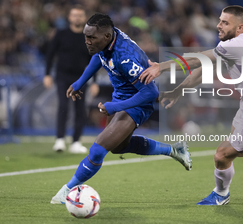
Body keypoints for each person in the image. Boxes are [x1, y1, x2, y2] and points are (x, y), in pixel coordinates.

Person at [139, 5, 243, 205]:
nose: (218, 25)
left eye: (225, 23)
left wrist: (162, 66)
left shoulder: (236, 45)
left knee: (222, 155)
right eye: (220, 20)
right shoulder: (240, 42)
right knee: (240, 150)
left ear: (240, 28)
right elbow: (204, 69)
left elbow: (196, 59)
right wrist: (178, 90)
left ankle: (221, 195)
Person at [50, 13, 192, 204]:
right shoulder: (106, 39)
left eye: (91, 38)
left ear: (106, 36)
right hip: (121, 97)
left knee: (98, 150)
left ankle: (66, 192)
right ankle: (174, 151)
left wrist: (115, 106)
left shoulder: (125, 57)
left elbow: (151, 92)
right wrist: (80, 82)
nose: (87, 41)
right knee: (118, 148)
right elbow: (99, 57)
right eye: (86, 36)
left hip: (138, 102)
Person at [43, 5, 92, 154]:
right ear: (69, 18)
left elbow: (94, 60)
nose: (77, 18)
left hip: (81, 78)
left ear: (84, 18)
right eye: (74, 15)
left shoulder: (88, 37)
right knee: (63, 106)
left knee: (80, 110)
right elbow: (50, 54)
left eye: (80, 15)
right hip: (63, 76)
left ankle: (76, 142)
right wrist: (47, 74)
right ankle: (60, 140)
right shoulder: (61, 34)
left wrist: (94, 81)